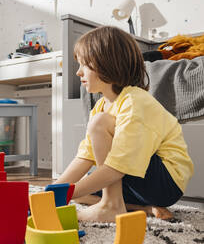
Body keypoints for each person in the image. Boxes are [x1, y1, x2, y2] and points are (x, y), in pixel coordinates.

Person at [55, 26, 194, 222]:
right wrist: (52, 191)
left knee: (86, 180)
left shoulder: (135, 101)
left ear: (107, 64)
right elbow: (85, 157)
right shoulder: (101, 106)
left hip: (165, 181)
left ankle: (111, 206)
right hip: (136, 178)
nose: (78, 73)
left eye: (84, 65)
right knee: (81, 191)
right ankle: (143, 208)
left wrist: (64, 193)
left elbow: (117, 168)